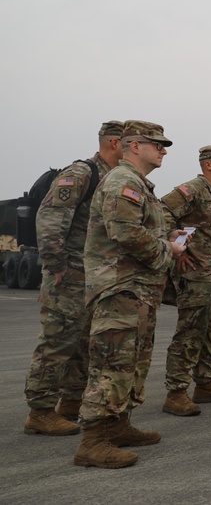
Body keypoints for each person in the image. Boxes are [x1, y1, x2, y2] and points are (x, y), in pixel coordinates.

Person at [73, 120, 185, 468]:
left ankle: (118, 426)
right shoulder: (123, 181)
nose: (163, 150)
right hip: (120, 288)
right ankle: (92, 442)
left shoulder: (138, 184)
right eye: (157, 144)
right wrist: (169, 249)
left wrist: (168, 237)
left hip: (138, 290)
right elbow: (126, 235)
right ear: (134, 146)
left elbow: (138, 231)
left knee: (131, 364)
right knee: (112, 365)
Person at [24, 121, 123, 437]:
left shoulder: (112, 178)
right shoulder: (82, 173)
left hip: (93, 276)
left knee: (83, 342)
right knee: (58, 341)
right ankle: (40, 411)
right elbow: (51, 217)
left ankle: (69, 402)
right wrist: (57, 266)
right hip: (69, 274)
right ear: (114, 143)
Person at [161, 145, 211, 416]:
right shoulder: (191, 189)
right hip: (197, 275)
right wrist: (177, 247)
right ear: (207, 164)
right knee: (190, 333)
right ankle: (176, 392)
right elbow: (162, 212)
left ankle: (205, 383)